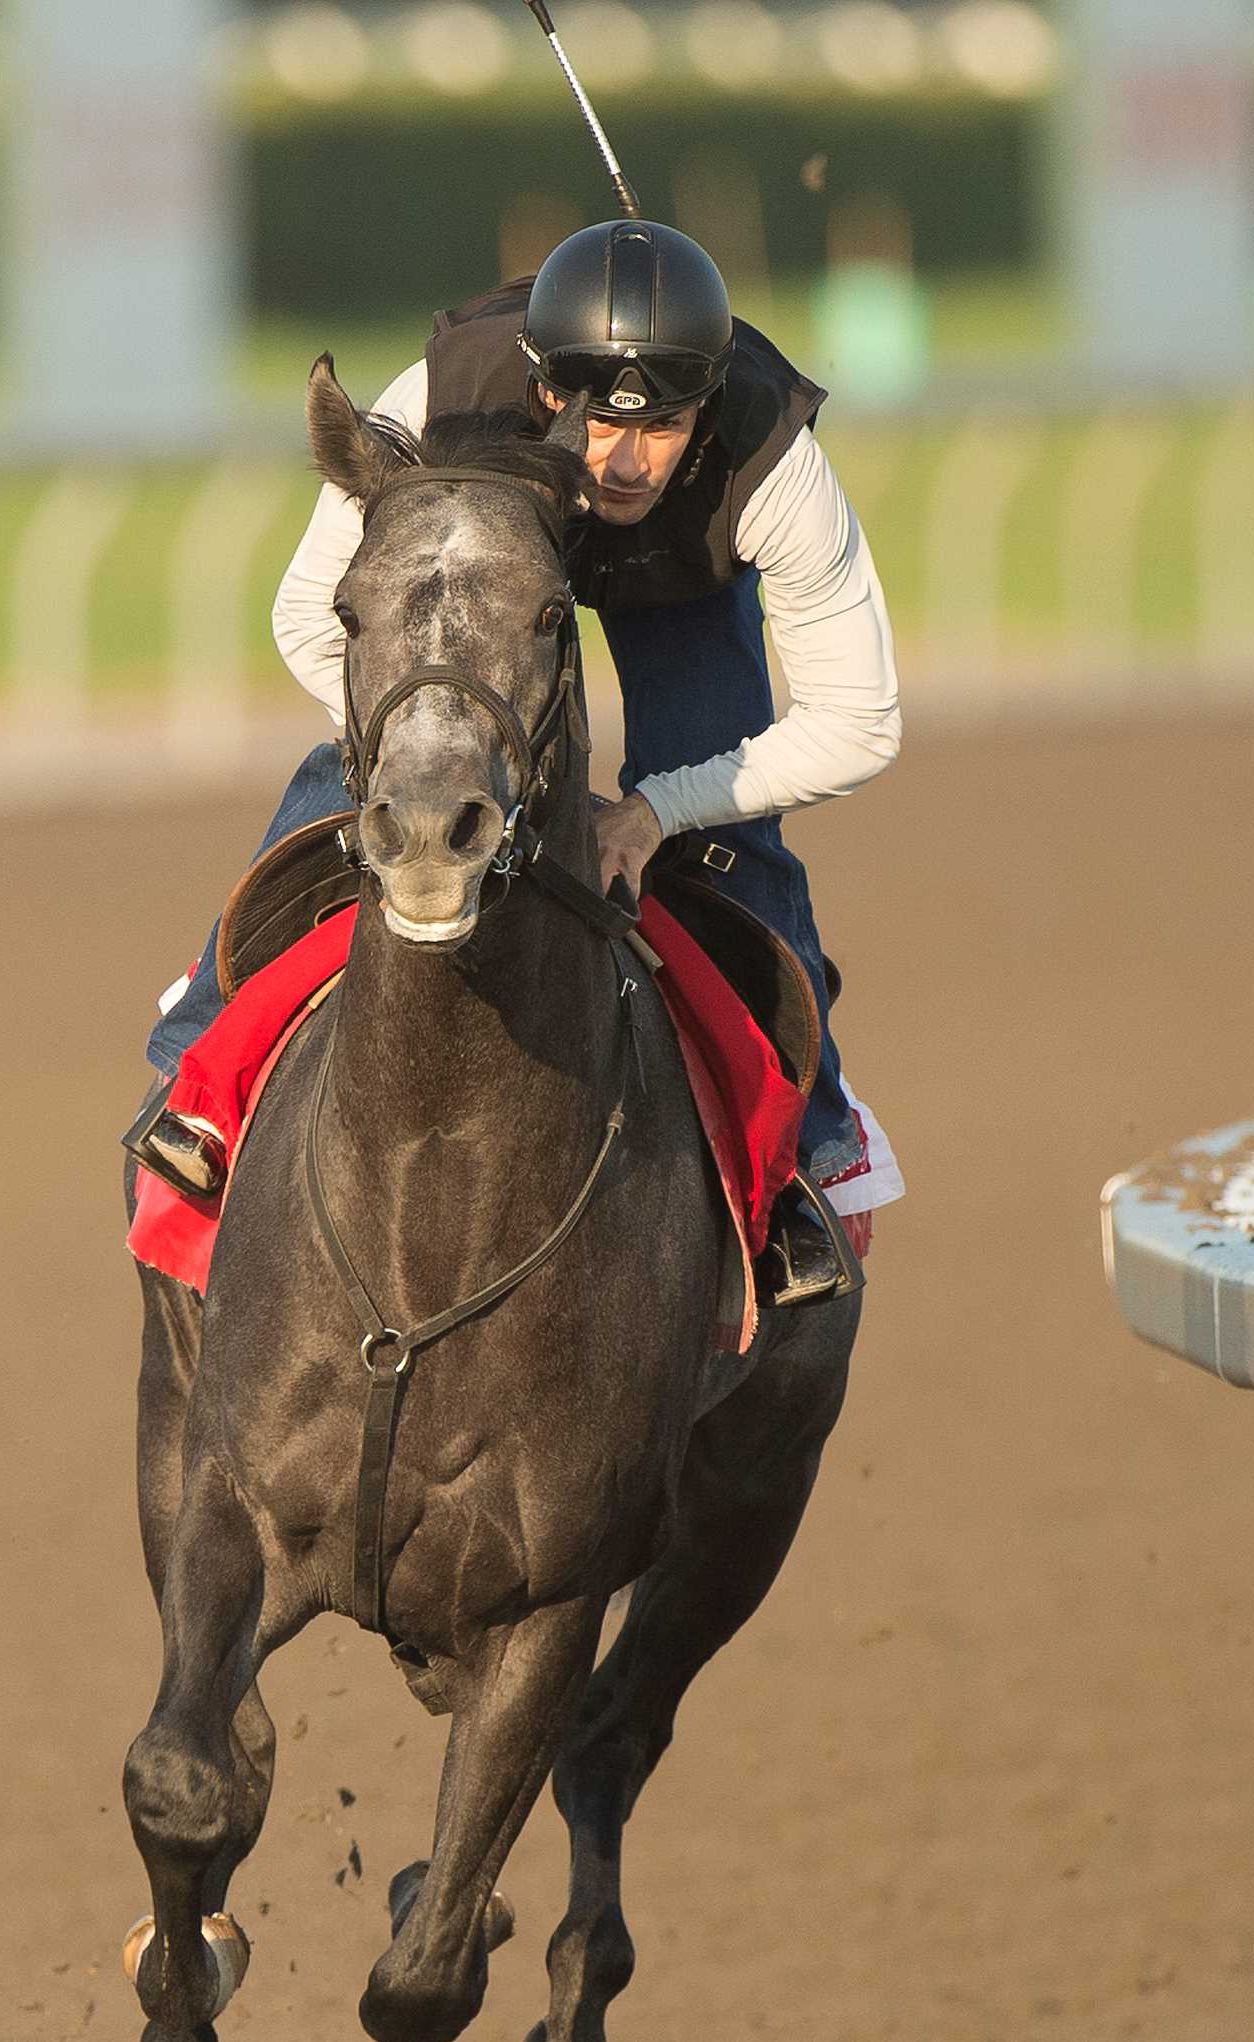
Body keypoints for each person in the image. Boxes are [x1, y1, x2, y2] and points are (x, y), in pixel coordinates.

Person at [135, 217, 904, 1302]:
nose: (627, 463)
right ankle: (198, 1075)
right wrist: (449, 749)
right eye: (599, 424)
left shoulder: (770, 459)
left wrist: (653, 813)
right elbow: (312, 620)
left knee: (731, 857)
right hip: (484, 553)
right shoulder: (439, 396)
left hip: (678, 589)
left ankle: (803, 1172)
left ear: (705, 405)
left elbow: (862, 719)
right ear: (545, 388)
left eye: (669, 426)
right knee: (352, 794)